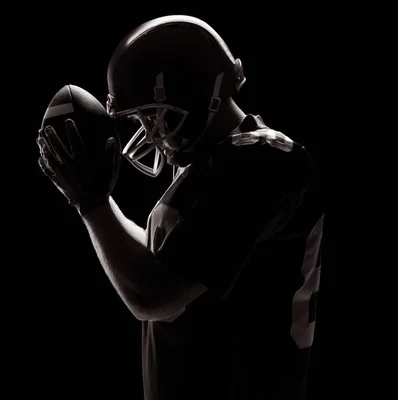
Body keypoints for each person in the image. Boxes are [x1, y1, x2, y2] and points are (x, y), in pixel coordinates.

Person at [36, 15, 325, 400]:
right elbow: (167, 261)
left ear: (192, 93)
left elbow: (154, 295)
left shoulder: (263, 162)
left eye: (150, 114)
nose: (146, 129)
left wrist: (91, 203)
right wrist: (93, 201)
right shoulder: (212, 161)